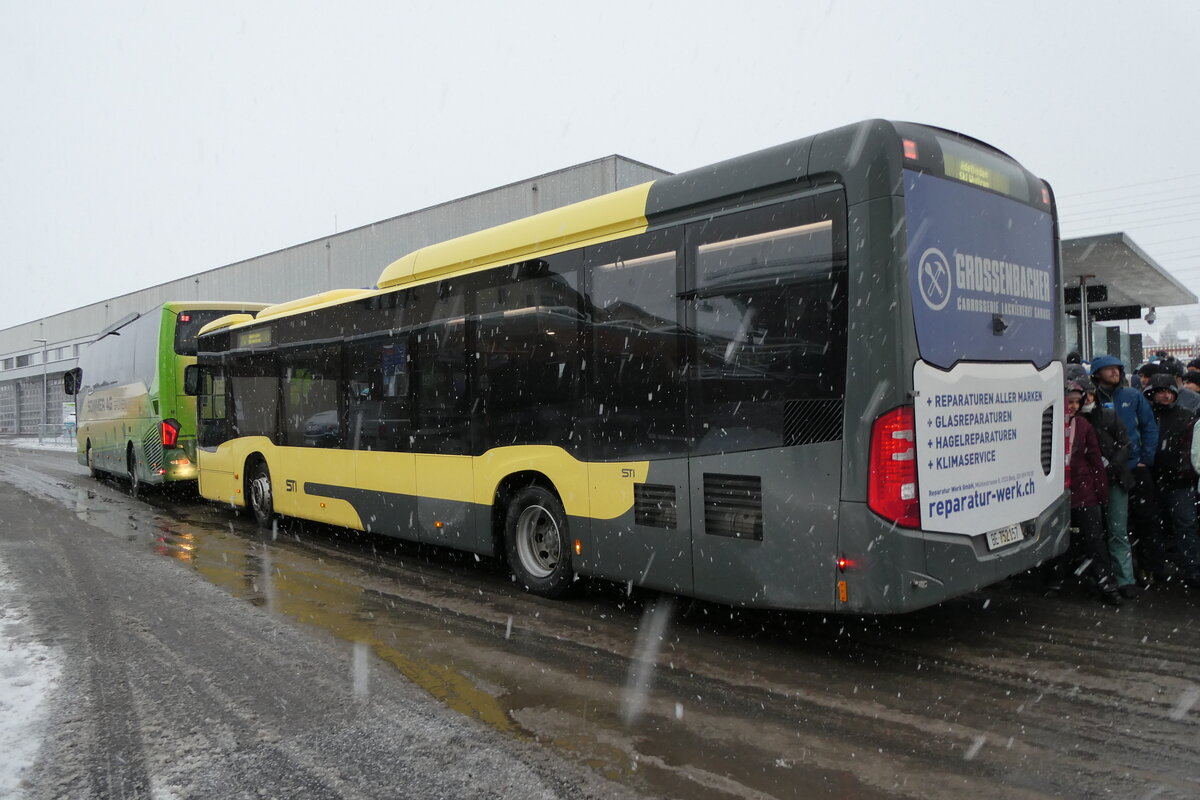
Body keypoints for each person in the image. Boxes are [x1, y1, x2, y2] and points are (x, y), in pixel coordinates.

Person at [1089, 354, 1159, 587]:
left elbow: (1149, 427)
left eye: (1117, 368)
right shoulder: (1092, 399)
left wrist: (1145, 459)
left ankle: (1146, 568)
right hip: (1106, 472)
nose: (1114, 372)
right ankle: (1119, 575)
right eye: (1108, 369)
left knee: (1144, 521)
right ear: (1097, 373)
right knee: (1115, 526)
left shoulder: (1133, 395)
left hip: (1135, 469)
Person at [1055, 382, 1120, 605]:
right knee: (1060, 540)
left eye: (1076, 402)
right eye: (1069, 402)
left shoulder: (1083, 426)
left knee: (1095, 541)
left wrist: (1101, 493)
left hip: (1084, 491)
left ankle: (1106, 584)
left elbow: (1095, 460)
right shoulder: (1051, 423)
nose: (1073, 406)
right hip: (1058, 492)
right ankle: (1056, 580)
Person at [1077, 376, 1138, 598]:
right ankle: (1105, 578)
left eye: (1091, 395)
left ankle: (1124, 579)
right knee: (1095, 534)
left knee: (1117, 531)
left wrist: (1111, 467)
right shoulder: (1075, 421)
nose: (1088, 399)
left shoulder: (1107, 417)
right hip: (1089, 484)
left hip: (1113, 480)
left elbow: (1125, 444)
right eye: (1085, 395)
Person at [1143, 374, 1200, 587]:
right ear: (1153, 394)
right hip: (1152, 481)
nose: (1166, 395)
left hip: (1180, 482)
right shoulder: (1146, 415)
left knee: (1186, 525)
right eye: (1161, 391)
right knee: (1154, 527)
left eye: (1170, 391)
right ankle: (1157, 570)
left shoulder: (1186, 416)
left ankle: (1191, 571)